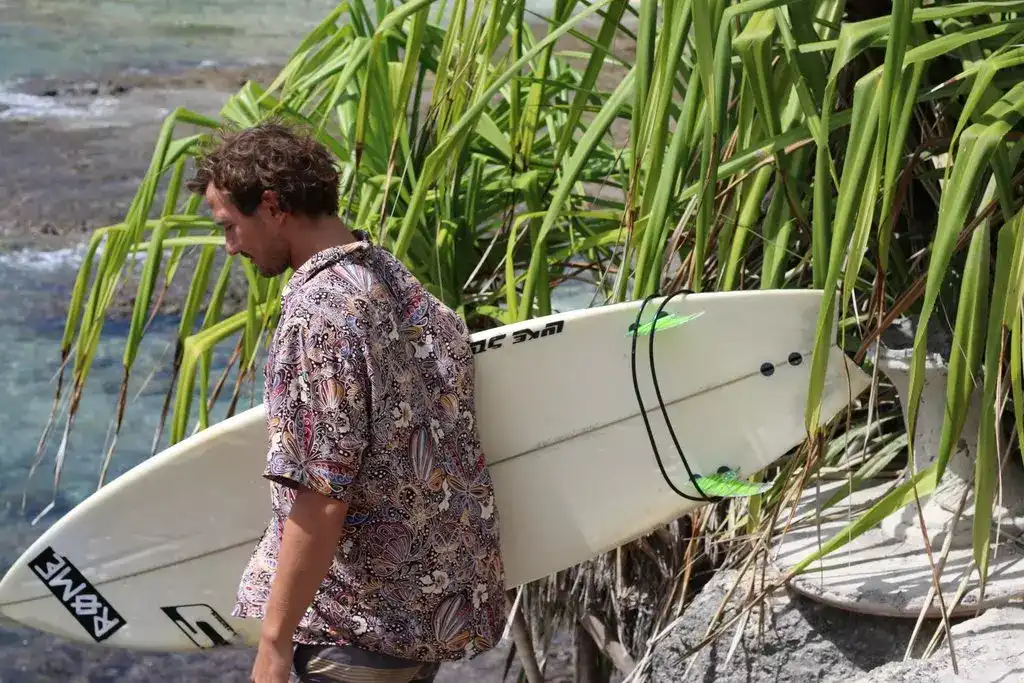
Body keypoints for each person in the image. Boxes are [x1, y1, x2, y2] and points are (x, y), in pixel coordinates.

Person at [186, 120, 507, 683]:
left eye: (230, 226)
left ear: (272, 206)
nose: (231, 246)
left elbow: (321, 493)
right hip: (427, 615)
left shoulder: (319, 315)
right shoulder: (393, 279)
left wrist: (274, 644)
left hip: (356, 630)